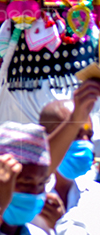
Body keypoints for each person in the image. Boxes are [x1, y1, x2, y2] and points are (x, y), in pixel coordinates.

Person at [31, 99, 96, 232]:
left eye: (89, 136)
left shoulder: (95, 196)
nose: (85, 143)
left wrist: (59, 225)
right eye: (75, 134)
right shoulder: (22, 196)